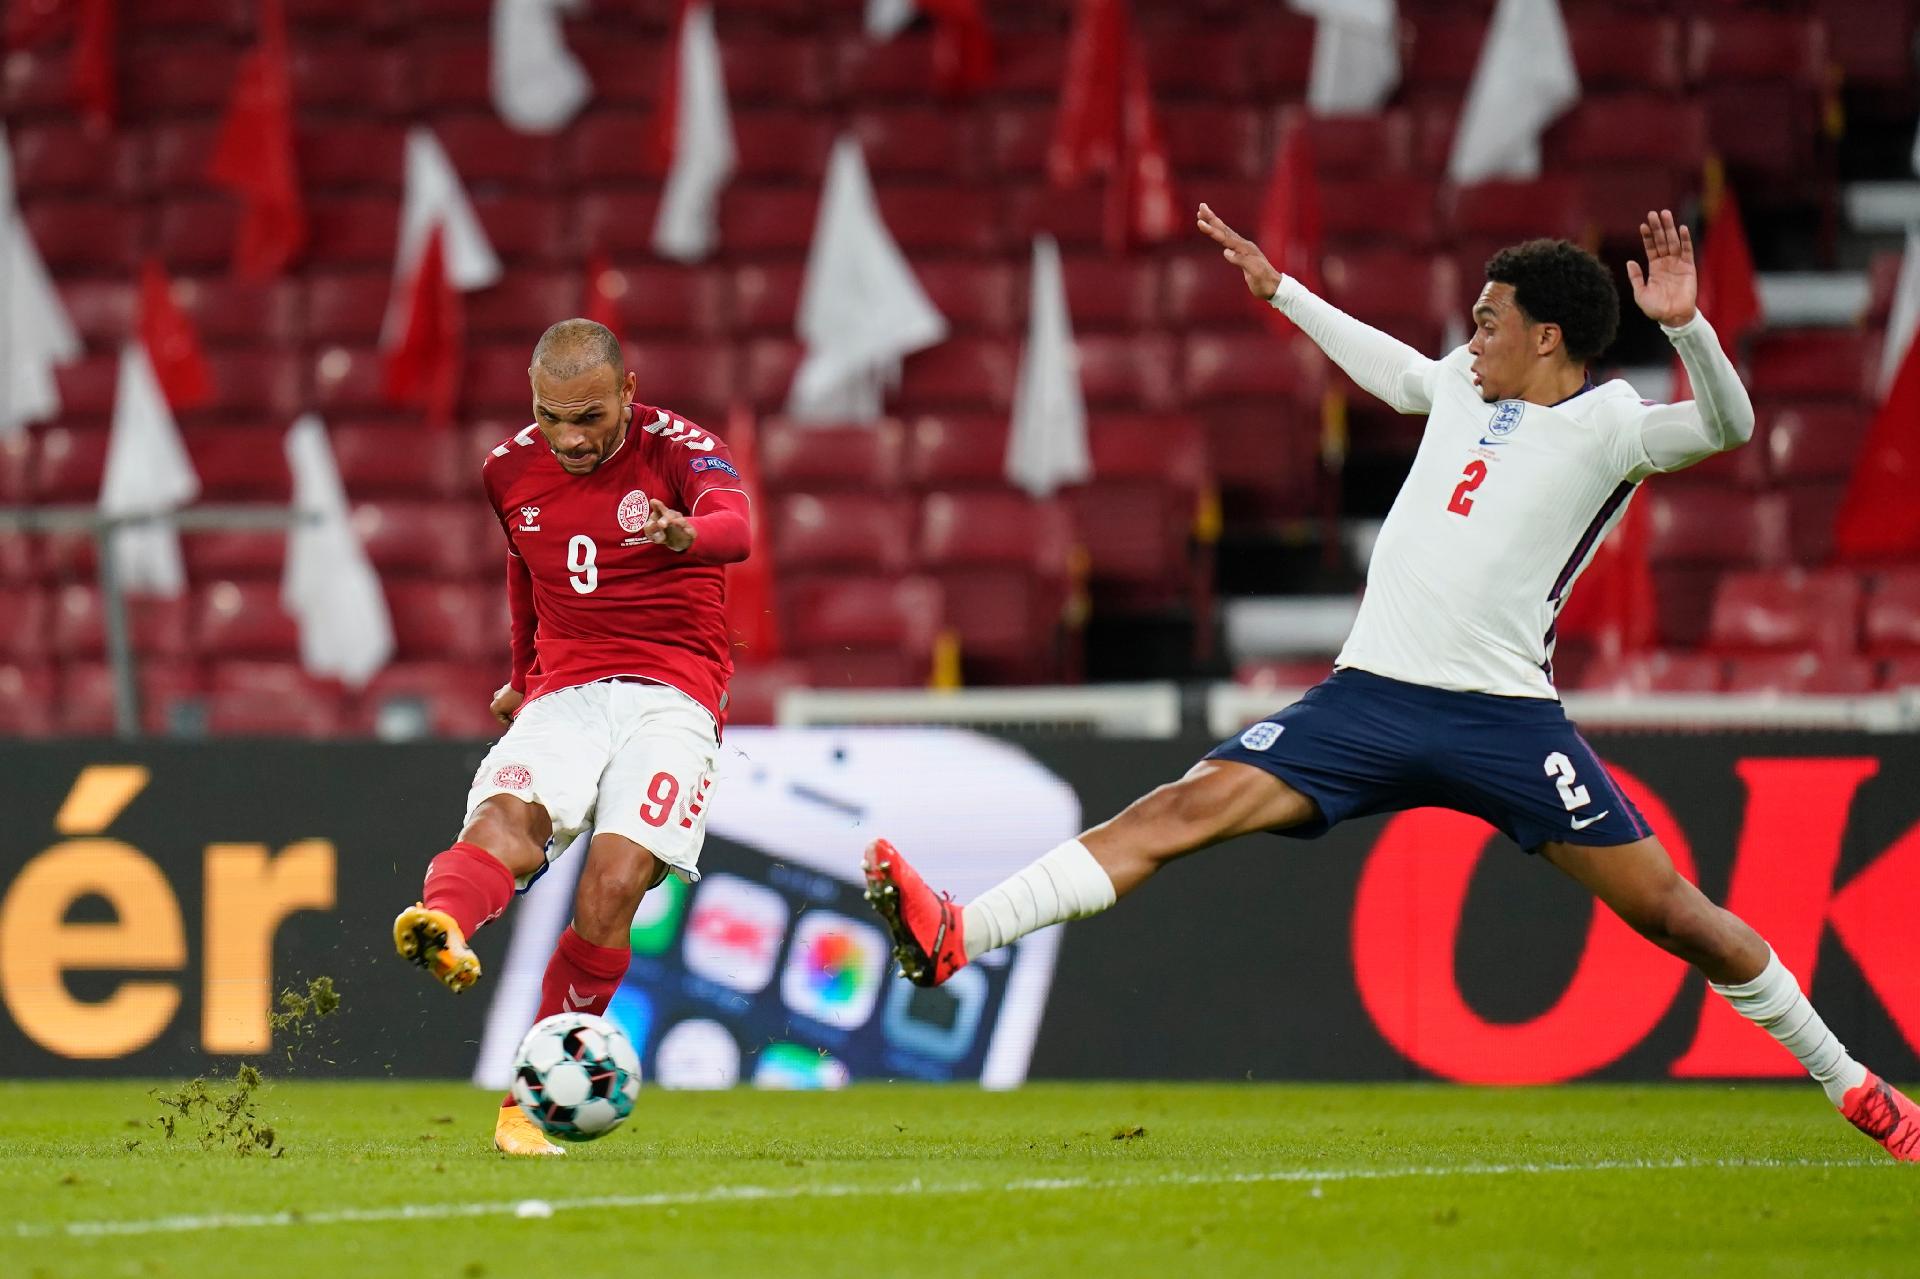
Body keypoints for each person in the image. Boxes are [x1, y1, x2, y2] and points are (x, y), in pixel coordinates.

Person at [862, 207, 1920, 1162]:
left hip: (1505, 721)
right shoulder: (1462, 385)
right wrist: (1284, 293)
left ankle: (1858, 1085)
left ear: (1547, 337)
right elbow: (1393, 369)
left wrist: (1688, 329)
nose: (1472, 337)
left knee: (1679, 916)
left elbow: (1727, 426)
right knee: (1180, 807)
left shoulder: (1613, 426)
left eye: (1489, 319)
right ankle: (961, 931)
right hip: (1366, 699)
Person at [392, 318, 750, 1156]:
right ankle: (441, 923)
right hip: (567, 690)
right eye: (553, 416)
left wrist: (681, 531)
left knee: (612, 885)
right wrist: (522, 675)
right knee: (507, 816)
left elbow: (738, 526)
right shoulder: (506, 468)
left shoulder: (680, 449)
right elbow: (525, 567)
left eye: (589, 416)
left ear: (629, 391)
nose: (571, 437)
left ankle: (526, 1103)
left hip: (673, 697)